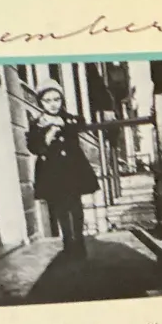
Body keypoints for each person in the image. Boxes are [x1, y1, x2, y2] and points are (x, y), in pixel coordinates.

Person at [25, 83, 100, 259]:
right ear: (40, 102)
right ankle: (67, 241)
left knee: (75, 205)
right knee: (60, 206)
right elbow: (34, 147)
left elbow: (80, 123)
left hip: (73, 168)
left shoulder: (68, 119)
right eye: (47, 100)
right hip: (52, 170)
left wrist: (63, 123)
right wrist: (48, 136)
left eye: (57, 99)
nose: (53, 104)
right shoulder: (37, 123)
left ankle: (79, 241)